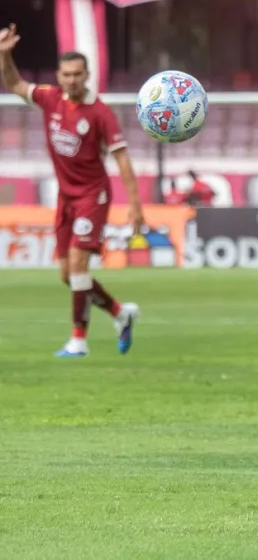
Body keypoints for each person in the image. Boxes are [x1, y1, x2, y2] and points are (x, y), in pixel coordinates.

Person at [0, 24, 142, 358]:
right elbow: (15, 84)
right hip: (66, 197)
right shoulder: (50, 99)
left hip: (93, 196)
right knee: (67, 274)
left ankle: (78, 341)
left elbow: (122, 159)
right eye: (66, 74)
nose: (72, 80)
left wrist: (135, 205)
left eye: (78, 74)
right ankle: (121, 313)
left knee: (78, 267)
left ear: (87, 75)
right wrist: (5, 54)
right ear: (59, 76)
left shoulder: (101, 113)